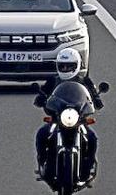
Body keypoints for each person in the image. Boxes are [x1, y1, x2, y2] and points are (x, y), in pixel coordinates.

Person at [33, 48, 107, 183]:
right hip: (58, 118)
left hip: (78, 119)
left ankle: (87, 168)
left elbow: (93, 96)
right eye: (63, 66)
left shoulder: (85, 81)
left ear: (77, 65)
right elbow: (42, 94)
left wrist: (97, 100)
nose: (66, 69)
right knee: (42, 133)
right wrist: (41, 99)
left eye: (69, 66)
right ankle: (43, 162)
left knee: (91, 139)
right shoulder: (53, 81)